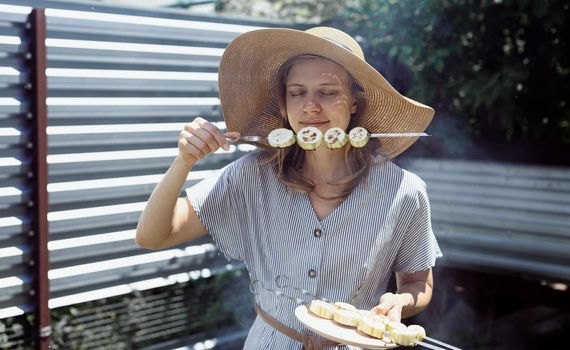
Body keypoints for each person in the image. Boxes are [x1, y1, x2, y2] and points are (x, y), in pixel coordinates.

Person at [136, 27, 442, 350]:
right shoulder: (252, 175)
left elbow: (417, 282)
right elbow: (153, 235)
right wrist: (183, 162)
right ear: (284, 101)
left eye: (326, 91)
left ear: (354, 102)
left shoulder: (404, 191)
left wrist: (401, 301)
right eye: (297, 92)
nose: (310, 106)